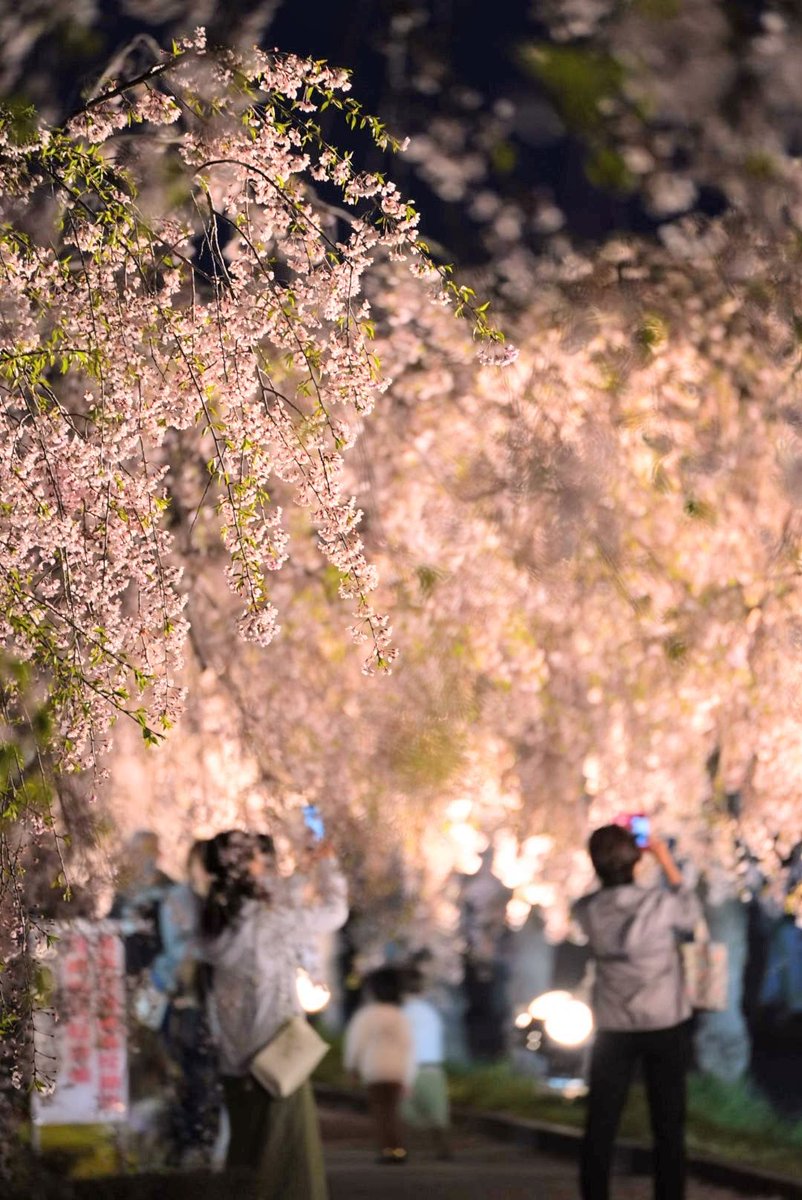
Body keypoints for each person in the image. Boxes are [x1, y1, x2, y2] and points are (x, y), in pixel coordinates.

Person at [191, 829, 347, 1200]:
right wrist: (327, 866)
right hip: (278, 1059)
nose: (268, 865)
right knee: (288, 1168)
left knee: (245, 1156)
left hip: (234, 1062)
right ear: (245, 867)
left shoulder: (213, 923)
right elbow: (334, 912)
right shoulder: (270, 921)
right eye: (259, 859)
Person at [573, 824, 701, 1200]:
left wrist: (609, 864)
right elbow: (690, 912)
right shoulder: (659, 905)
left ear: (595, 865)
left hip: (614, 1026)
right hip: (664, 1022)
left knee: (601, 1123)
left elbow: (586, 902)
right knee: (668, 1125)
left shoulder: (588, 911)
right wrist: (664, 858)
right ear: (637, 861)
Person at [150, 842, 221, 1167]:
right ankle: (188, 1142)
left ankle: (207, 1142)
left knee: (212, 1074)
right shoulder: (177, 900)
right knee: (189, 1073)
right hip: (185, 999)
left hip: (218, 1001)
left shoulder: (223, 900)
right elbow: (179, 948)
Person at [344, 966, 414, 1164]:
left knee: (380, 1112)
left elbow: (356, 1043)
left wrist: (352, 1067)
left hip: (374, 1070)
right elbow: (408, 1047)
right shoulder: (400, 1016)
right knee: (393, 1111)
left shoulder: (367, 1015)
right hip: (397, 1071)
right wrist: (408, 1077)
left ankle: (387, 1148)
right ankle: (398, 1147)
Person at [401, 965, 452, 1159]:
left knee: (406, 1113)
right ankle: (442, 1148)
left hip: (409, 1067)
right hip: (433, 1068)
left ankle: (405, 1149)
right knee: (437, 1115)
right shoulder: (431, 1011)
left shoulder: (402, 1012)